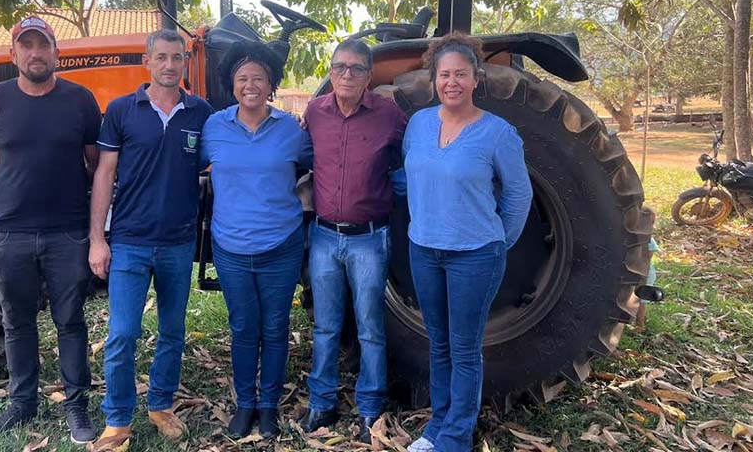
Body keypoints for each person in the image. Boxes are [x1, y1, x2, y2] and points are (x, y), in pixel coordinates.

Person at [401, 33, 533, 452]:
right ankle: (438, 426)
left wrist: (495, 242)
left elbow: (519, 195)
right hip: (424, 250)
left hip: (474, 256)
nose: (452, 82)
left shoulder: (498, 133)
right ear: (434, 79)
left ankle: (456, 438)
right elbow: (411, 177)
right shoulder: (419, 124)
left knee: (463, 347)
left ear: (476, 79)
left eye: (460, 74)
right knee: (438, 343)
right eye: (444, 74)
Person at [0, 16, 102, 444]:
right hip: (9, 234)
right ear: (13, 54)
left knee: (71, 321)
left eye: (42, 45)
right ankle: (22, 402)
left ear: (56, 53)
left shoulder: (80, 100)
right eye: (26, 46)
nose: (35, 53)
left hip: (67, 232)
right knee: (17, 322)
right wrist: (12, 204)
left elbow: (94, 164)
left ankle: (76, 405)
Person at [89, 29, 213, 452]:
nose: (169, 65)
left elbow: (222, 158)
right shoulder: (122, 110)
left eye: (177, 57)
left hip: (178, 242)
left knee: (172, 330)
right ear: (147, 62)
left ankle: (160, 404)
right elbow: (104, 174)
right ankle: (117, 418)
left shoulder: (200, 112)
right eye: (161, 57)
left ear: (185, 62)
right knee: (123, 333)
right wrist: (98, 239)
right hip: (130, 241)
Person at [200, 41, 312, 440]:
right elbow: (188, 167)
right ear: (232, 85)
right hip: (230, 248)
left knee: (276, 326)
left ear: (271, 84)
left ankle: (268, 407)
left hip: (281, 245)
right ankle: (245, 403)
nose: (250, 85)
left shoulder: (291, 130)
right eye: (242, 78)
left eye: (259, 78)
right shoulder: (214, 128)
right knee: (244, 327)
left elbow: (318, 166)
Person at [300, 39, 406, 442]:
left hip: (369, 240)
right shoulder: (315, 112)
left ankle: (370, 409)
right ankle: (322, 402)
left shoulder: (389, 115)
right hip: (324, 237)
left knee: (370, 328)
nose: (347, 74)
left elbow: (411, 157)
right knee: (326, 326)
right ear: (330, 71)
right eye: (340, 67)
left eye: (357, 68)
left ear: (369, 76)